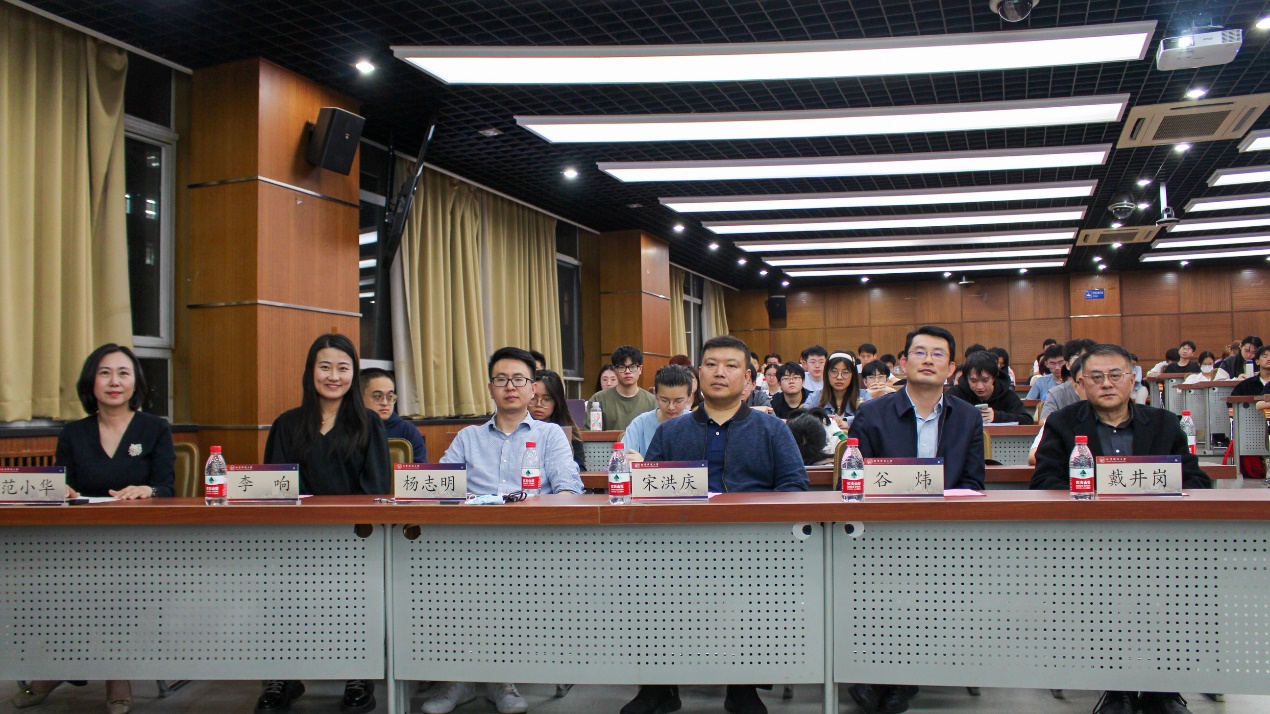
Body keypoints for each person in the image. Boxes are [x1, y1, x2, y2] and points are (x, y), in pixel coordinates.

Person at [622, 336, 807, 714]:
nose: (719, 372)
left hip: (753, 548)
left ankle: (743, 686)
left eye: (731, 365)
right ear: (698, 376)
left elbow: (794, 487)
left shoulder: (772, 430)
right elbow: (648, 490)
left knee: (758, 592)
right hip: (680, 545)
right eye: (711, 364)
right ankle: (659, 686)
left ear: (748, 378)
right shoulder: (671, 432)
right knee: (647, 582)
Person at [1030, 343, 1210, 714]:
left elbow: (1195, 479)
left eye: (1115, 375)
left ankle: (1163, 692)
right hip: (1090, 544)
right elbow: (1045, 481)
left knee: (1173, 601)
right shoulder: (1063, 424)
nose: (1107, 384)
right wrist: (1093, 499)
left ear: (1132, 380)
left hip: (1158, 544)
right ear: (1080, 385)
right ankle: (1117, 690)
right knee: (1104, 606)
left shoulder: (1164, 423)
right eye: (1096, 377)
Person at [13, 344, 176, 714]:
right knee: (53, 582)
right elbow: (61, 484)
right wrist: (62, 490)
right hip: (81, 540)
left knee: (113, 584)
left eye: (123, 373)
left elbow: (166, 488)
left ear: (135, 383)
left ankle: (111, 675)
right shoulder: (74, 433)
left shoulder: (154, 429)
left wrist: (146, 490)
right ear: (91, 382)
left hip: (138, 544)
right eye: (105, 373)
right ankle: (63, 667)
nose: (114, 382)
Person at [426, 348, 583, 714]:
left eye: (519, 379)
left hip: (529, 543)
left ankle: (501, 678)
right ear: (490, 388)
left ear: (532, 387)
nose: (510, 387)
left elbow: (568, 487)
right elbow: (441, 487)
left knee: (502, 583)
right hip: (469, 541)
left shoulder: (550, 435)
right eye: (501, 379)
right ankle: (459, 678)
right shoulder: (468, 437)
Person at [847, 326, 984, 714]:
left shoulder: (967, 416)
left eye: (938, 354)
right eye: (919, 353)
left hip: (944, 536)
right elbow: (852, 481)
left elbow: (973, 482)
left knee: (928, 587)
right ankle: (886, 676)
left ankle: (897, 679)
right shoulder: (871, 413)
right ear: (903, 363)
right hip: (879, 535)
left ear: (951, 368)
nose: (928, 360)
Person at [260, 333, 390, 714]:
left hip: (355, 539)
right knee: (279, 591)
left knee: (358, 592)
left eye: (343, 368)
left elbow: (375, 488)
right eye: (325, 367)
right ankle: (283, 674)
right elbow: (275, 486)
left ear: (353, 374)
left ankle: (358, 673)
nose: (334, 376)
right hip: (296, 539)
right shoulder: (286, 424)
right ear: (310, 371)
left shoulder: (369, 424)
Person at [621, 365, 694, 459]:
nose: (671, 407)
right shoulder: (640, 424)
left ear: (689, 396)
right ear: (655, 394)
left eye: (678, 401)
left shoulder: (697, 424)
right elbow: (622, 460)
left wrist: (645, 465)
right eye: (664, 400)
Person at [947, 350, 1034, 425]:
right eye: (973, 381)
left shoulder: (1007, 395)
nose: (980, 387)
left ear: (994, 377)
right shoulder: (955, 395)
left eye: (985, 380)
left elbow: (1027, 420)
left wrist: (997, 416)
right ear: (966, 378)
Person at [360, 368, 427, 462]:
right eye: (378, 396)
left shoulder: (407, 431)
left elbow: (420, 468)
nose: (385, 403)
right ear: (359, 397)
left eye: (390, 397)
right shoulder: (348, 428)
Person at [585, 346, 658, 432]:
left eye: (633, 367)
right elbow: (589, 435)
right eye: (622, 367)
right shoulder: (598, 399)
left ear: (640, 369)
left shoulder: (652, 402)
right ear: (614, 370)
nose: (627, 371)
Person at [530, 369, 586, 470]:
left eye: (546, 399)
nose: (538, 404)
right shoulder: (519, 429)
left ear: (557, 401)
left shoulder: (570, 433)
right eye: (533, 398)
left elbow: (580, 469)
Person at [1229, 345, 1270, 478]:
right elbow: (1231, 403)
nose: (1269, 359)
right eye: (1265, 356)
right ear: (1257, 361)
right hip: (1250, 428)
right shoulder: (1247, 384)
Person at [812, 353, 862, 432]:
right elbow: (803, 420)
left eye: (845, 372)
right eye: (834, 372)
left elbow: (870, 419)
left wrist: (847, 422)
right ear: (827, 373)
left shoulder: (863, 395)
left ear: (853, 375)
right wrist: (820, 420)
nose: (839, 377)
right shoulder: (815, 397)